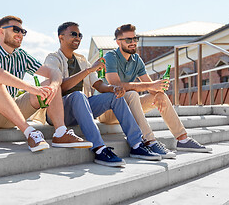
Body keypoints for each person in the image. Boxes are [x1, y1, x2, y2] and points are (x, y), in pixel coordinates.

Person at [40, 21, 161, 167]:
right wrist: (89, 70)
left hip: (82, 108)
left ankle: (136, 144)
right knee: (78, 95)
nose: (77, 37)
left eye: (80, 35)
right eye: (73, 34)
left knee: (115, 97)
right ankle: (99, 149)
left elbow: (98, 85)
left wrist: (113, 88)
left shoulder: (82, 60)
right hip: (59, 113)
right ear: (61, 37)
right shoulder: (52, 58)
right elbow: (59, 86)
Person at [0, 15, 92, 153]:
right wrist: (30, 88)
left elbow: (54, 72)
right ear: (1, 32)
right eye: (16, 30)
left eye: (23, 32)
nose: (20, 34)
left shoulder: (21, 55)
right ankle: (30, 133)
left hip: (11, 112)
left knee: (51, 82)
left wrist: (53, 86)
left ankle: (60, 133)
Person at [99, 23, 212, 156]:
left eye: (135, 39)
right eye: (128, 40)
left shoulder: (137, 60)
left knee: (159, 96)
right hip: (108, 111)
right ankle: (150, 142)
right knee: (132, 94)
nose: (133, 42)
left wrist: (158, 93)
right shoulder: (110, 57)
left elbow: (149, 83)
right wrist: (150, 86)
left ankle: (182, 139)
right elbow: (116, 85)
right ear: (118, 42)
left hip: (128, 107)